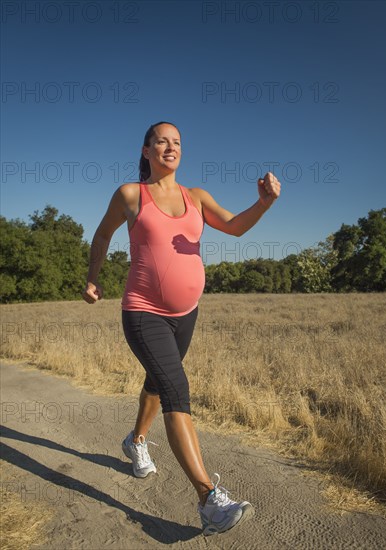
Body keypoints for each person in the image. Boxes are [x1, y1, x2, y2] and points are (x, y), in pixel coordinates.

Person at [81, 121, 281, 536]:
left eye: (177, 142)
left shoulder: (197, 197)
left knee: (158, 382)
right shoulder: (131, 194)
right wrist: (93, 277)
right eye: (162, 141)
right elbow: (102, 235)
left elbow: (236, 226)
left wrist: (262, 203)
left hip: (186, 313)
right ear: (147, 149)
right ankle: (209, 500)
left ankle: (135, 440)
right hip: (143, 310)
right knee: (177, 390)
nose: (170, 147)